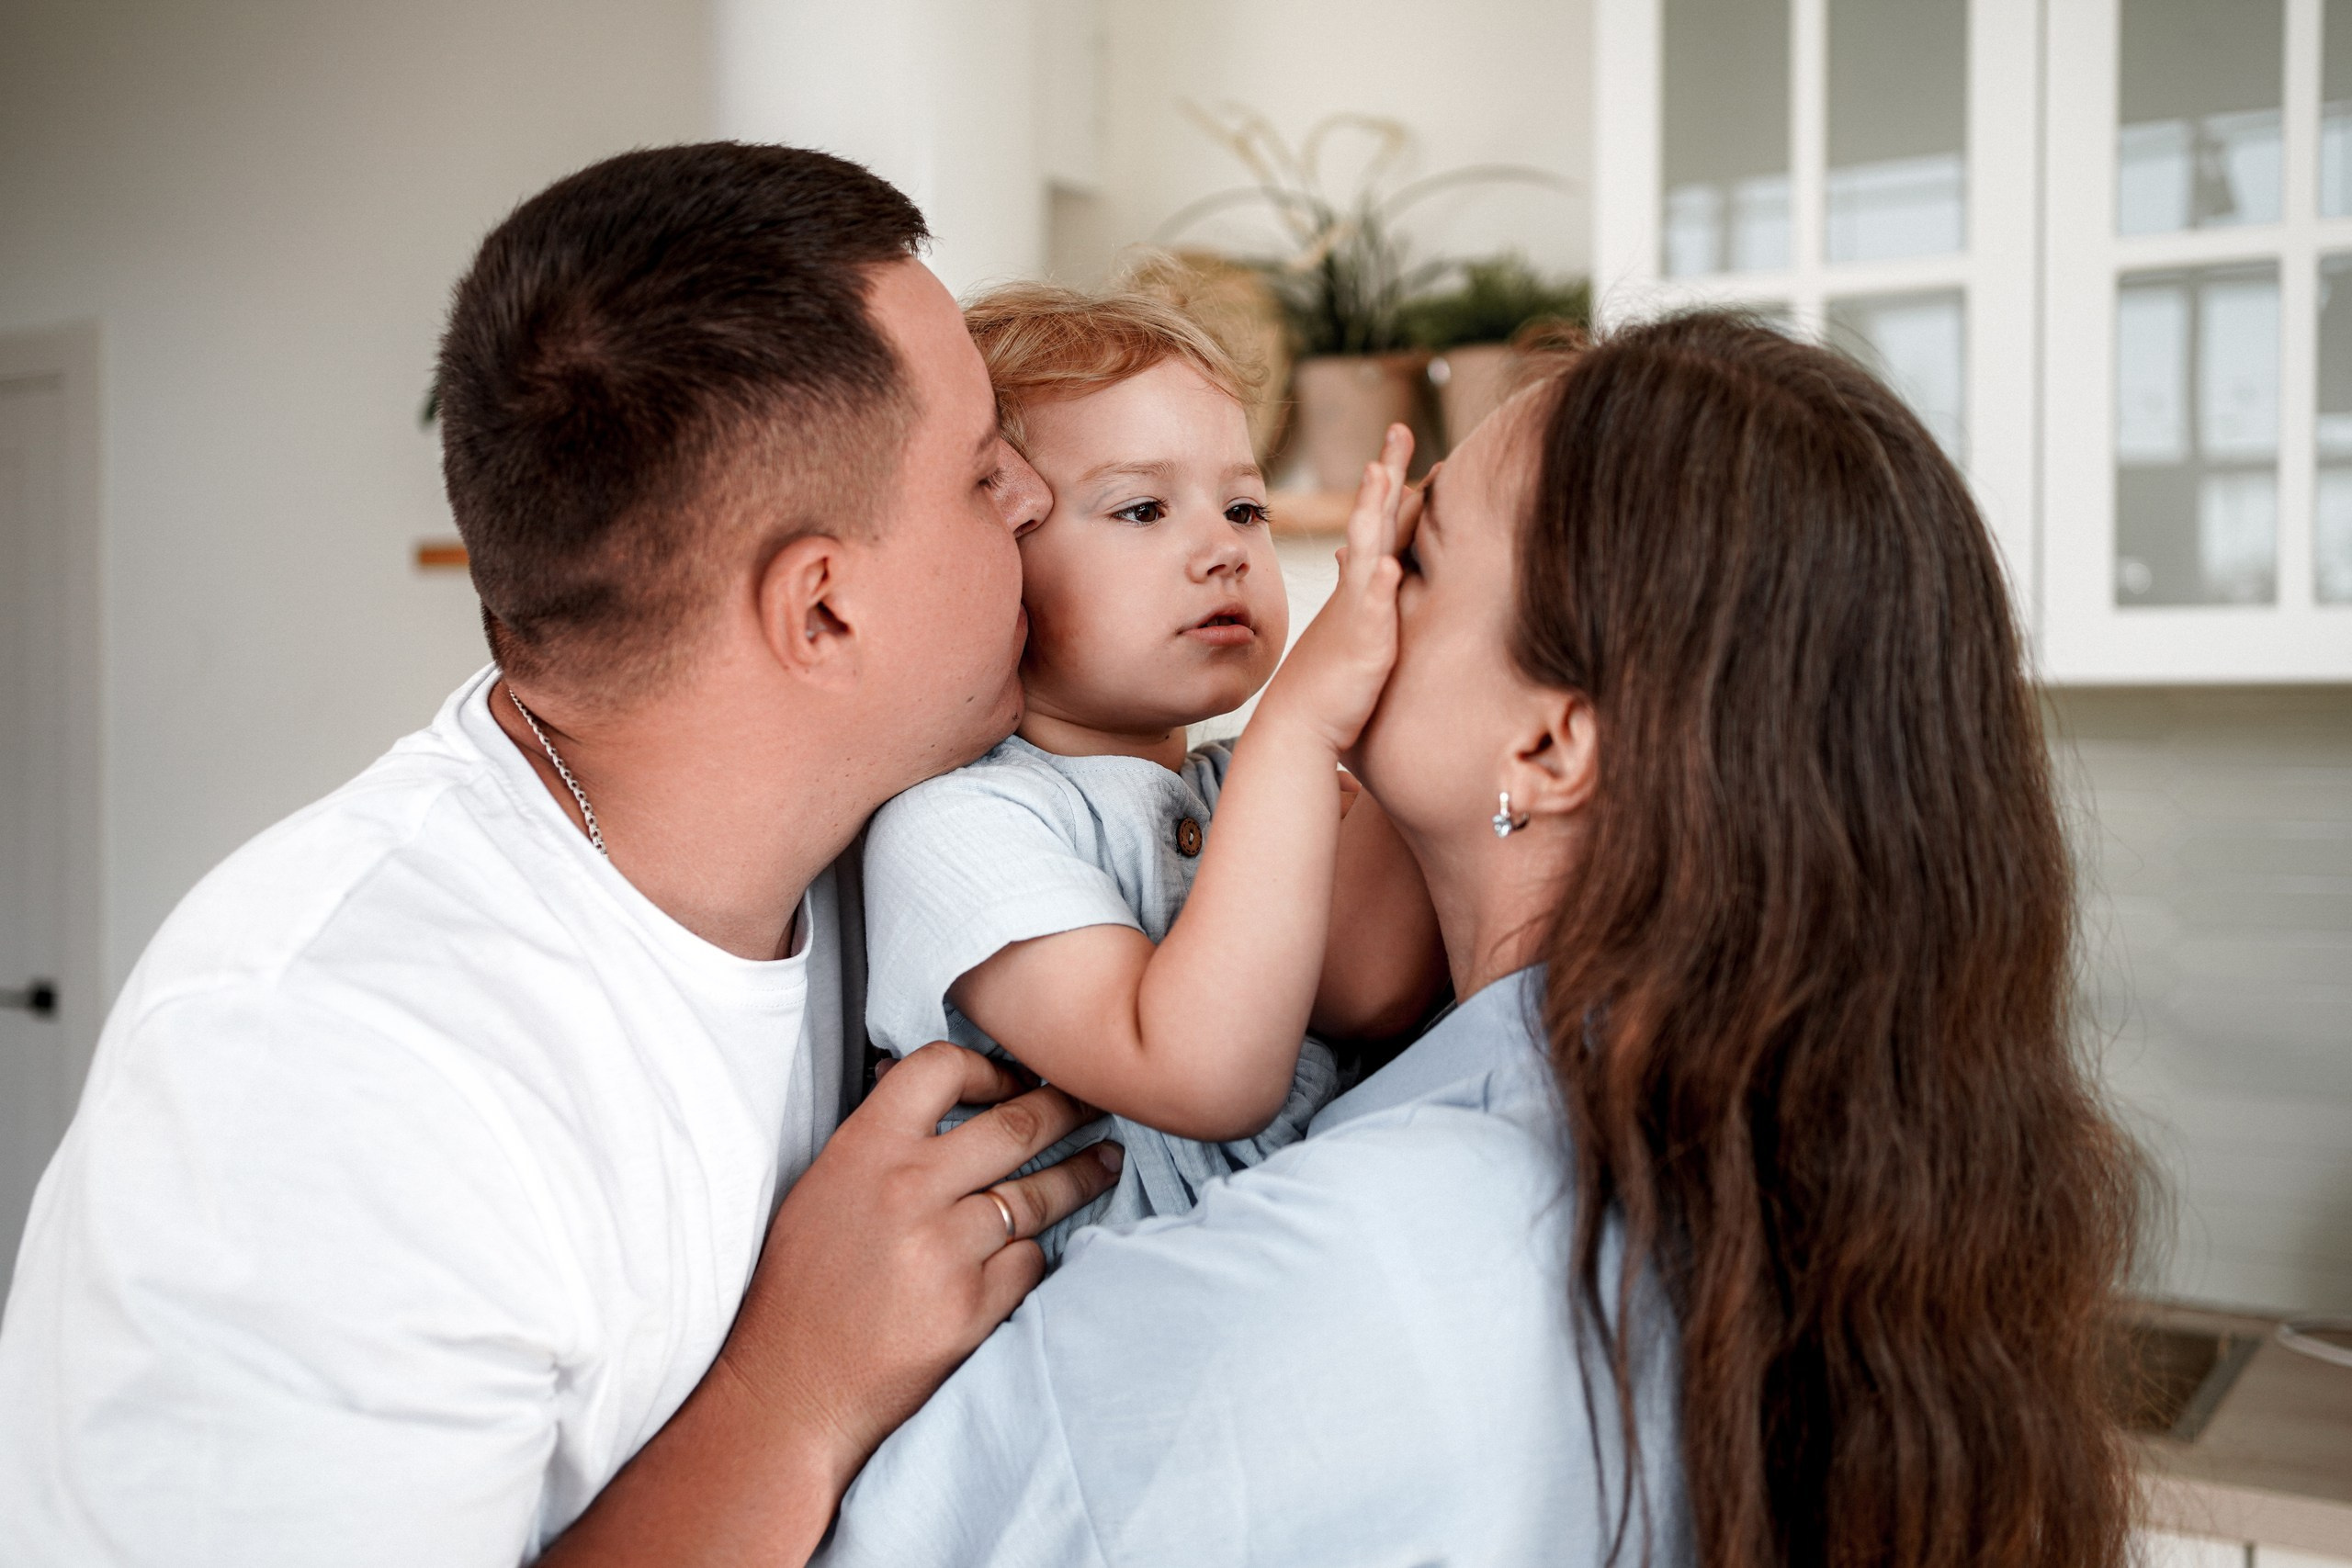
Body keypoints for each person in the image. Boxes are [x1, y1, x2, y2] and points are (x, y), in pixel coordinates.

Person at [820, 314, 2146, 1568]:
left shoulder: (1364, 1259)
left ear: (1554, 745)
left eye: (1411, 557)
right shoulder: (1750, 1166)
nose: (1352, 601)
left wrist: (796, 1382)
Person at [0, 143, 1123, 1567]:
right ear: (822, 611)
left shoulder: (912, 835)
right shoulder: (318, 1080)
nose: (1031, 495)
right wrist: (794, 1394)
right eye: (978, 471)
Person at [861, 284, 1445, 1262]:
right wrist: (1300, 724)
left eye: (1245, 507)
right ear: (995, 549)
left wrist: (1412, 641)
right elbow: (1196, 1072)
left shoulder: (1251, 783)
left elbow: (1369, 985)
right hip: (1100, 1325)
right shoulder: (956, 827)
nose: (1223, 549)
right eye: (1142, 508)